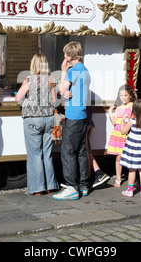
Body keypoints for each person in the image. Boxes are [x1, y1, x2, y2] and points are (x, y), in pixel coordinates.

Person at [15, 53, 59, 195]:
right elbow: (57, 98)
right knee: (47, 153)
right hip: (49, 119)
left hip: (33, 120)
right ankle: (51, 185)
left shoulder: (29, 79)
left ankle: (37, 188)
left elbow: (17, 98)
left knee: (35, 154)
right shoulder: (52, 79)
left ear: (33, 65)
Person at [52, 41, 91, 200]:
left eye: (65, 54)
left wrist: (62, 71)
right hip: (83, 115)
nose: (64, 56)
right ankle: (83, 185)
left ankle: (71, 187)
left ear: (69, 55)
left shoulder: (71, 71)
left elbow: (61, 91)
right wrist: (69, 92)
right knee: (81, 152)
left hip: (73, 115)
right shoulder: (86, 70)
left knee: (68, 152)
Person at [120, 99, 141, 198]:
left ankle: (130, 190)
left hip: (132, 148)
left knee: (132, 170)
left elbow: (123, 131)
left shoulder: (132, 121)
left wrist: (123, 122)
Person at [106, 84, 136, 187]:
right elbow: (114, 122)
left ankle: (133, 179)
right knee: (119, 157)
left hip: (128, 133)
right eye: (121, 95)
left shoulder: (131, 105)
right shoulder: (118, 108)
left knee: (130, 157)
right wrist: (110, 112)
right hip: (118, 134)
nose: (123, 97)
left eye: (125, 95)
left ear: (130, 96)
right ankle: (118, 178)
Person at [86, 106, 110, 188]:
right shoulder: (86, 94)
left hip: (83, 122)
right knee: (87, 151)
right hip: (89, 121)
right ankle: (93, 174)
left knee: (86, 151)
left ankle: (95, 174)